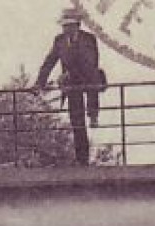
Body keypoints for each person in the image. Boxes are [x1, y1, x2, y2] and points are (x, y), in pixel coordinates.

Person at [33, 9, 104, 166]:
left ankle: (93, 115)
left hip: (88, 79)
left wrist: (72, 73)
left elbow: (91, 63)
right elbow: (50, 61)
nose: (66, 29)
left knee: (90, 99)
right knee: (76, 121)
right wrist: (40, 83)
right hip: (71, 84)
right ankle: (82, 159)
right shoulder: (59, 40)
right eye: (64, 26)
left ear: (77, 25)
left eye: (69, 26)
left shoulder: (89, 39)